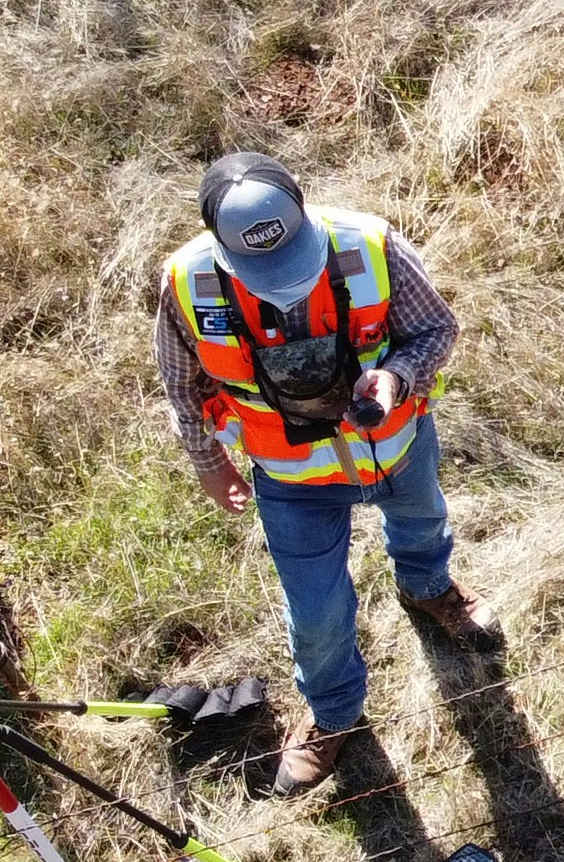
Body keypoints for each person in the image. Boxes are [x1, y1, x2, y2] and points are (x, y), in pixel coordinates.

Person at [154, 152, 503, 794]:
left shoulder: (370, 245)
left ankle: (428, 589)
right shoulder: (187, 281)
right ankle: (334, 714)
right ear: (220, 245)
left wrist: (396, 377)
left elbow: (435, 329)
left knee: (423, 524)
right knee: (314, 611)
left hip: (396, 445)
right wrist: (210, 463)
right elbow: (183, 385)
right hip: (288, 477)